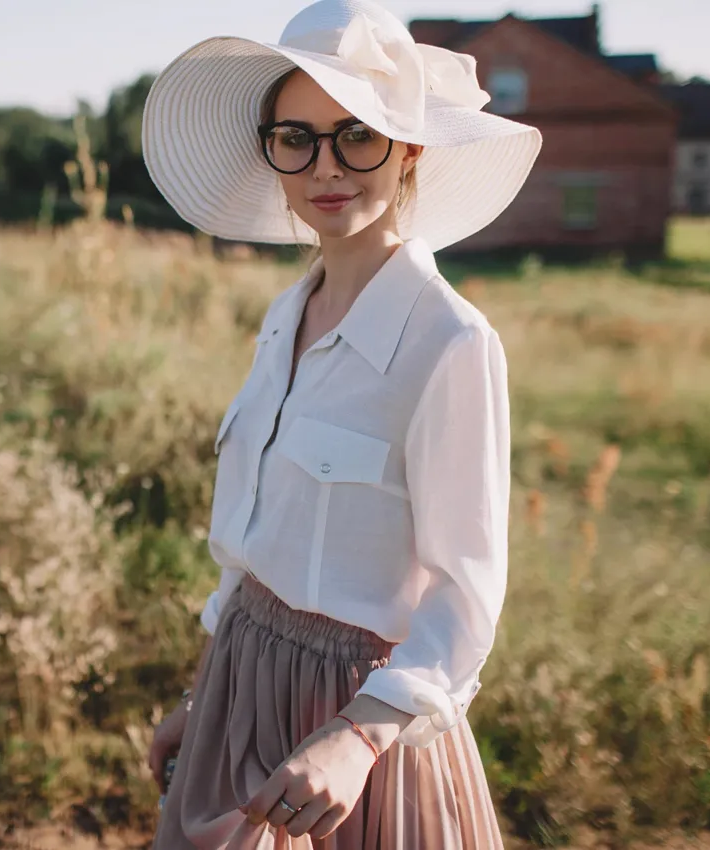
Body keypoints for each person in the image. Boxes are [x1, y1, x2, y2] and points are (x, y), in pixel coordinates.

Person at [139, 1, 542, 847]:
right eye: (298, 137)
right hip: (237, 687)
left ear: (410, 150)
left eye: (358, 133)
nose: (328, 166)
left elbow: (464, 598)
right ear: (274, 154)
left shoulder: (451, 342)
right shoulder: (287, 315)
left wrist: (359, 738)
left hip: (356, 731)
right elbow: (256, 552)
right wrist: (200, 698)